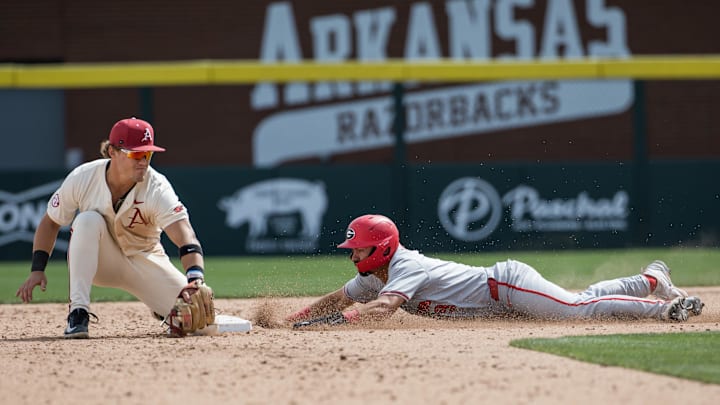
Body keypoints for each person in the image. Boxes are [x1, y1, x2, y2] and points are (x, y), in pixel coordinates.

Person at [288, 214, 704, 328]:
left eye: (356, 250)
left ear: (379, 249)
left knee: (580, 310)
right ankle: (651, 281)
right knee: (583, 299)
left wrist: (340, 322)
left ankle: (664, 310)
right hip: (498, 296)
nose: (351, 256)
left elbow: (386, 307)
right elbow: (341, 297)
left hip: (506, 285)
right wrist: (294, 319)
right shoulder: (370, 277)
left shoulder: (404, 266)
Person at [16, 117, 210, 338]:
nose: (143, 161)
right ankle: (78, 312)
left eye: (148, 154)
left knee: (200, 324)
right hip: (100, 262)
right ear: (112, 151)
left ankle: (159, 305)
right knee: (87, 220)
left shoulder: (156, 186)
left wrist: (195, 277)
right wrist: (37, 269)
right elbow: (50, 222)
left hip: (144, 259)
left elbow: (184, 233)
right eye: (136, 154)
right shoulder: (83, 177)